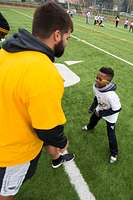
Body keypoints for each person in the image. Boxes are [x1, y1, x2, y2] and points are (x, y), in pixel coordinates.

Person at [0, 2, 74, 199]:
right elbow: (48, 128)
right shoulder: (45, 71)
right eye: (68, 37)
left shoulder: (4, 53)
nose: (67, 42)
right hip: (11, 154)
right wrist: (62, 142)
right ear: (57, 35)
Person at [82, 67, 121, 164]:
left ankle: (114, 153)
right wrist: (92, 108)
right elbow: (97, 97)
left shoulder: (112, 95)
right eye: (96, 77)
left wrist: (102, 113)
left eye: (100, 79)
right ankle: (89, 127)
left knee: (111, 135)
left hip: (110, 115)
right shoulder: (95, 86)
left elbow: (117, 109)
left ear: (107, 82)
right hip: (100, 109)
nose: (96, 80)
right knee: (93, 119)